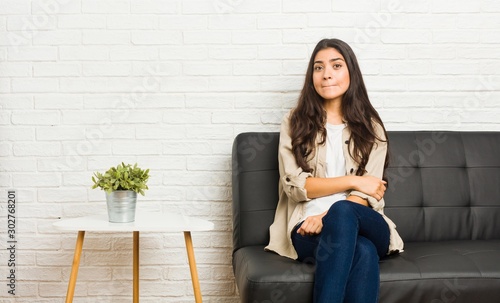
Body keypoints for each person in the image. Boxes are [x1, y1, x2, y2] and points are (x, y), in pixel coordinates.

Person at [265, 38, 404, 303]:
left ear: (351, 71)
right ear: (312, 76)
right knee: (362, 252)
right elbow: (297, 188)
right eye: (318, 68)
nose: (326, 74)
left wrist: (328, 215)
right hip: (307, 226)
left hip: (364, 221)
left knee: (343, 211)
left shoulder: (371, 127)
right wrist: (354, 180)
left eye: (336, 65)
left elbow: (368, 192)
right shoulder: (294, 122)